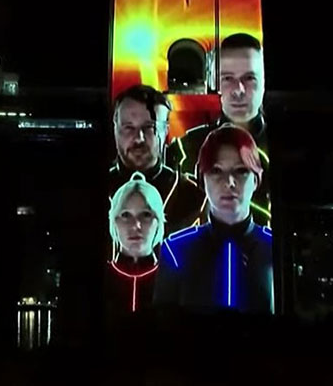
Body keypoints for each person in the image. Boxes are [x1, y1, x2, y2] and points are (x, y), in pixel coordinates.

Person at [155, 125, 274, 313]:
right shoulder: (176, 249)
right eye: (217, 171)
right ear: (202, 179)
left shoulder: (275, 247)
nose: (229, 182)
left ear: (256, 180)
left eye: (241, 171)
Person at [168, 34, 271, 224]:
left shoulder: (288, 149)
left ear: (264, 80)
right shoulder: (184, 150)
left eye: (249, 78)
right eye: (227, 78)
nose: (238, 89)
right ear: (213, 81)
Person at [109, 84, 206, 235]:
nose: (139, 138)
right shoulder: (90, 194)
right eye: (129, 127)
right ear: (115, 129)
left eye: (149, 127)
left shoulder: (193, 198)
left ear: (166, 130)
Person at [106, 173, 165, 314]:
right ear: (114, 221)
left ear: (158, 222)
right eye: (126, 215)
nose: (136, 226)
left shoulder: (174, 281)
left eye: (145, 215)